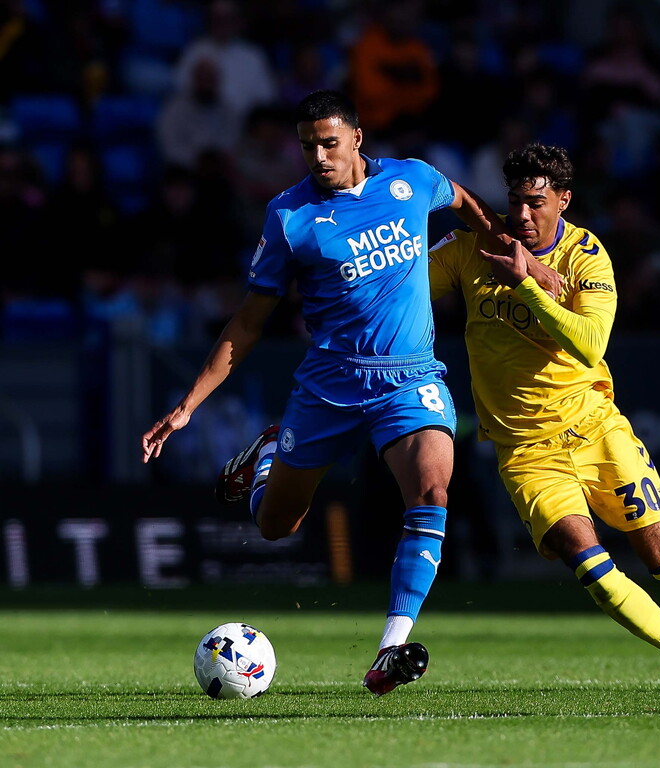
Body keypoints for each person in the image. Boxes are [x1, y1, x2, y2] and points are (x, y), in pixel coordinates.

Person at [140, 90, 562, 697]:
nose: (318, 155)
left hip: (410, 376)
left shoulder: (413, 180)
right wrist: (185, 409)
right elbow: (249, 323)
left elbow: (465, 202)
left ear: (357, 139)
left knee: (432, 489)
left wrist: (513, 252)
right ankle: (265, 460)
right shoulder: (290, 217)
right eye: (308, 145)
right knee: (276, 526)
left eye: (329, 143)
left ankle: (390, 648)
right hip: (330, 386)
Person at [427, 142, 660, 691]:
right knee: (586, 561)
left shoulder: (586, 257)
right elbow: (402, 290)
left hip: (595, 430)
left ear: (563, 199)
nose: (522, 215)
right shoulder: (472, 245)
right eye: (515, 201)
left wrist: (529, 284)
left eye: (536, 202)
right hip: (525, 449)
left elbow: (590, 344)